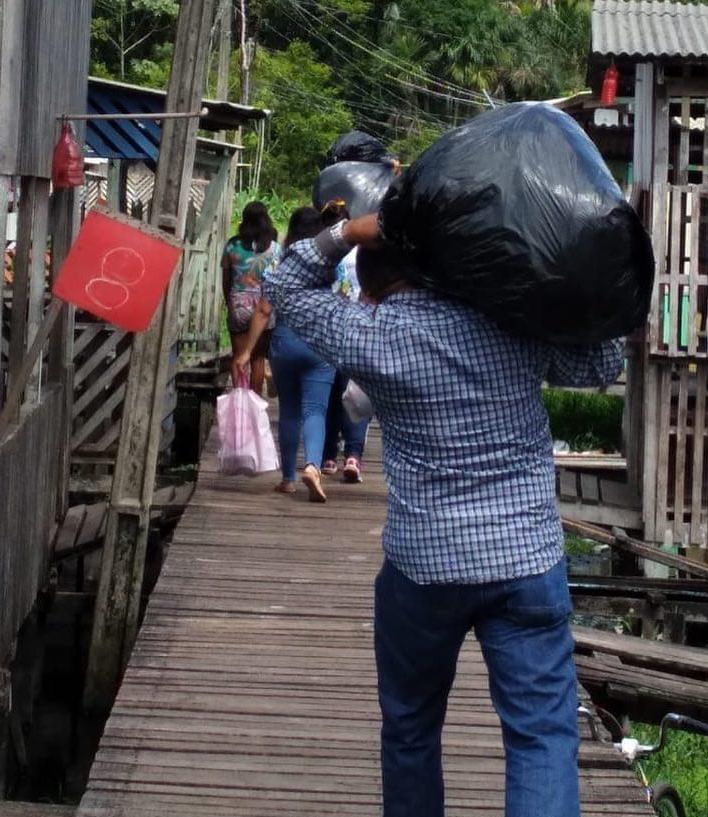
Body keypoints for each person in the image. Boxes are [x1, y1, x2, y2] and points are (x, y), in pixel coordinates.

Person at [262, 213, 625, 817]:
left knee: (410, 728)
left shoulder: (373, 335)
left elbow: (285, 285)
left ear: (375, 283)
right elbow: (600, 361)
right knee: (541, 734)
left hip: (424, 568)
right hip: (525, 560)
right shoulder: (509, 317)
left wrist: (348, 232)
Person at [231, 207, 334, 502]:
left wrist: (247, 352)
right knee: (316, 410)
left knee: (289, 411)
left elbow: (264, 310)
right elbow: (344, 296)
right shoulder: (330, 263)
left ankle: (288, 478)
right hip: (320, 344)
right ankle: (313, 465)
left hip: (285, 344)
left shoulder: (281, 264)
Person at [317, 200, 369, 482]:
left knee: (329, 397)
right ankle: (353, 455)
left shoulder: (320, 253)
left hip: (327, 332)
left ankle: (327, 457)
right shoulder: (361, 253)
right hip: (358, 331)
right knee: (355, 394)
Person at [223, 201, 279, 396]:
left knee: (238, 356)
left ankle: (240, 402)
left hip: (238, 303)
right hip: (264, 307)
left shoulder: (232, 245)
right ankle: (255, 404)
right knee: (257, 359)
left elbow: (226, 279)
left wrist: (229, 302)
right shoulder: (275, 249)